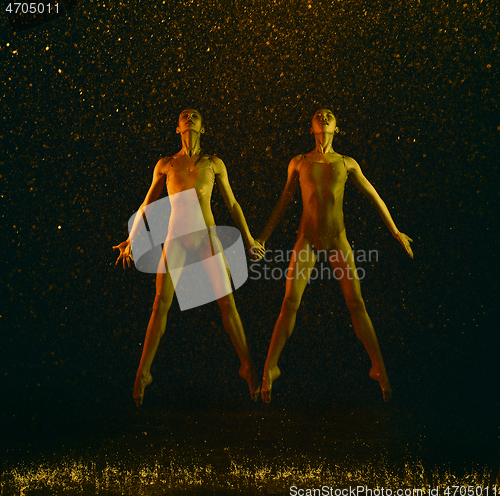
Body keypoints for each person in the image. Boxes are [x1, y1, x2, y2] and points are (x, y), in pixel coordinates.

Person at [257, 108, 414, 403]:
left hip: (338, 240)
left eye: (329, 115)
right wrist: (262, 238)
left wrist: (395, 231)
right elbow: (283, 202)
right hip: (307, 240)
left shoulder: (346, 162)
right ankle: (271, 367)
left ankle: (378, 368)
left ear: (337, 128)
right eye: (319, 114)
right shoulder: (299, 162)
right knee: (289, 301)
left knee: (356, 302)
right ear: (311, 126)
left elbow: (374, 195)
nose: (324, 116)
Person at [113, 108, 265, 407]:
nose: (190, 116)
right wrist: (131, 238)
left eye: (195, 115)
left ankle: (247, 366)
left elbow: (232, 203)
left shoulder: (213, 163)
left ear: (203, 128)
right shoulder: (167, 164)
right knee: (160, 305)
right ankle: (143, 374)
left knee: (227, 303)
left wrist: (247, 238)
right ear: (178, 128)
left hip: (206, 236)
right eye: (184, 115)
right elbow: (147, 203)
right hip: (176, 240)